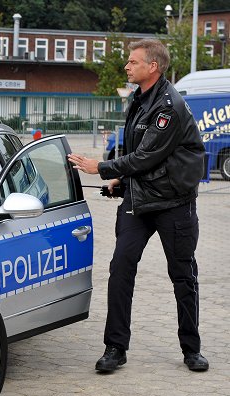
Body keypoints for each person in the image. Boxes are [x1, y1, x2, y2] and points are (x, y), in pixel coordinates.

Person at [67, 39, 208, 373]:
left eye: (132, 62)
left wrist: (101, 168)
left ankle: (191, 348)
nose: (127, 67)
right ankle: (115, 347)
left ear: (152, 67)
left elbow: (148, 155)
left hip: (174, 203)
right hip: (139, 200)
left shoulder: (169, 105)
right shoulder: (140, 99)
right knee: (120, 269)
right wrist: (122, 181)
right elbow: (143, 154)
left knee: (183, 275)